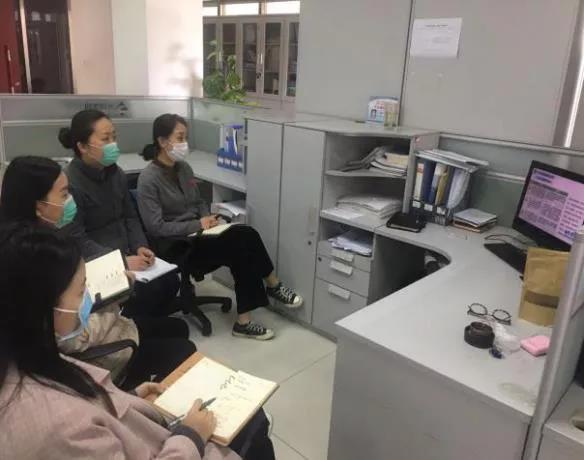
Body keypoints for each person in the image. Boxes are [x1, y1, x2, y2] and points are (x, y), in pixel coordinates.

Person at [0, 223, 275, 459]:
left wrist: (129, 398)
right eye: (82, 290)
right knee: (253, 424)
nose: (88, 299)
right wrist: (191, 435)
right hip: (174, 447)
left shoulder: (29, 357)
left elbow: (88, 405)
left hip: (145, 431)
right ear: (42, 307)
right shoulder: (58, 425)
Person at [0, 155, 196, 389]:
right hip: (93, 353)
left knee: (178, 327)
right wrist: (115, 298)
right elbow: (71, 339)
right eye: (64, 194)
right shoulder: (38, 260)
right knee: (184, 349)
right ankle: (137, 398)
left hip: (101, 324)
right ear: (39, 206)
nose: (70, 201)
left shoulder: (32, 238)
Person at [137, 114, 304, 341]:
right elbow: (156, 227)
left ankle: (267, 293)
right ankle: (258, 305)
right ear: (162, 141)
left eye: (185, 137)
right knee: (239, 246)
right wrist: (198, 223)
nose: (185, 143)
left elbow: (198, 201)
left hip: (199, 235)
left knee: (246, 233)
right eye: (180, 138)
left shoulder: (183, 168)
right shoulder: (148, 179)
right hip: (175, 246)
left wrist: (207, 218)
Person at [58, 109, 180, 319]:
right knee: (147, 294)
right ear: (82, 146)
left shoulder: (115, 173)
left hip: (127, 252)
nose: (113, 144)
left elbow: (130, 216)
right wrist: (120, 262)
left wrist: (140, 246)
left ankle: (148, 326)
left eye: (114, 137)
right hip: (99, 263)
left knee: (170, 282)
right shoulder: (71, 183)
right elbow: (77, 239)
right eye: (105, 139)